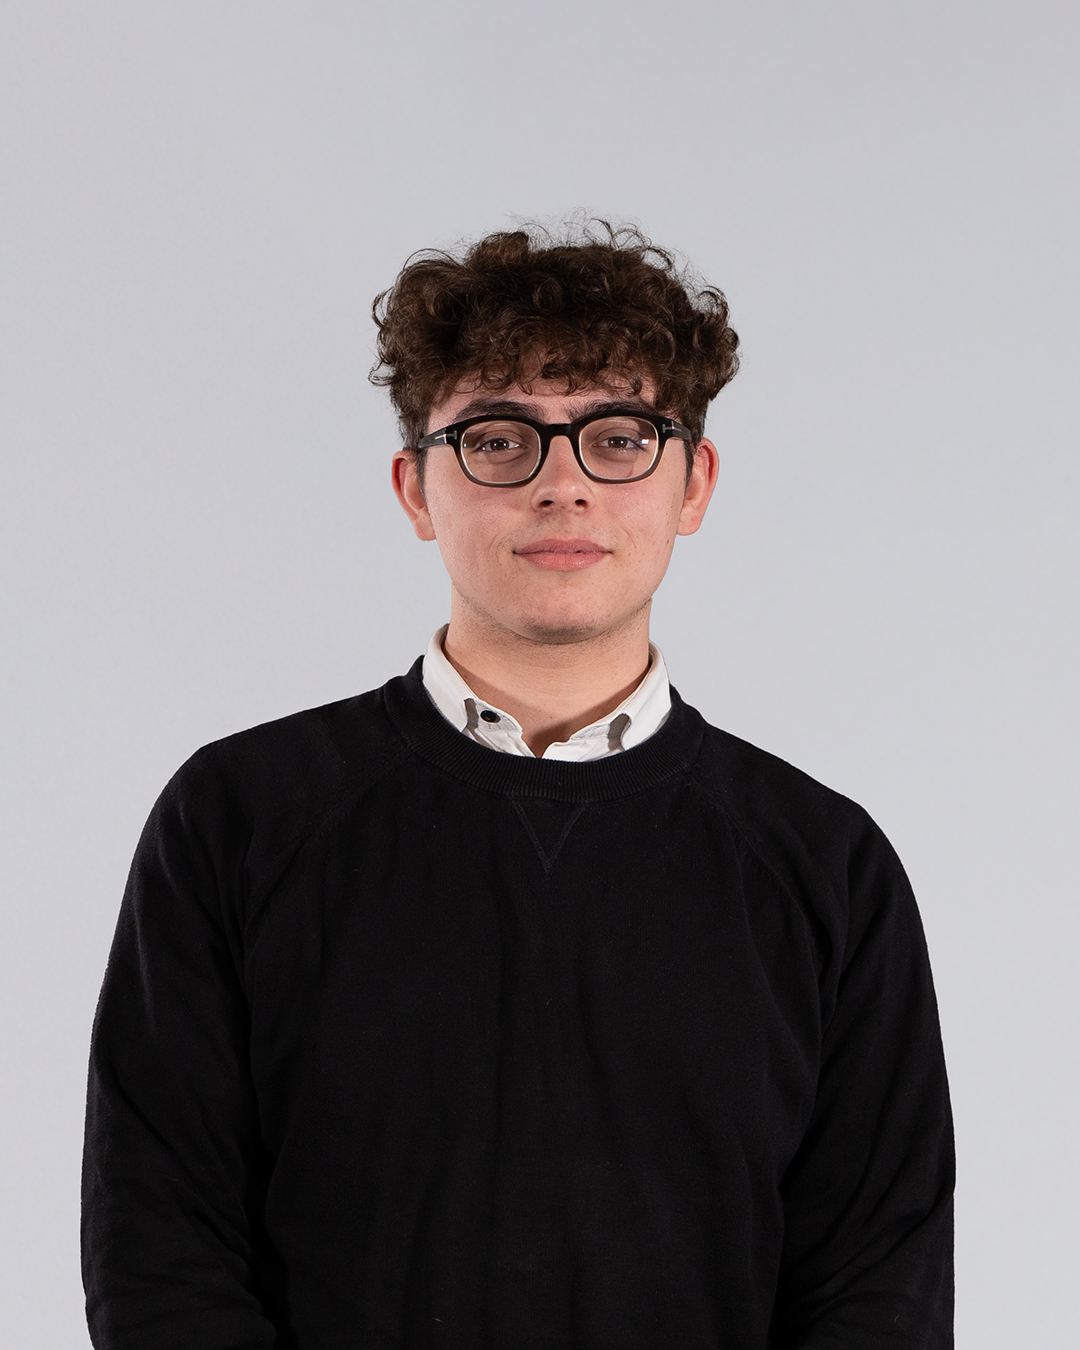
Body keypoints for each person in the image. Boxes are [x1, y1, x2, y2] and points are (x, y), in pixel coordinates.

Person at [82, 221, 954, 1349]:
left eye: (620, 437)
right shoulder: (239, 818)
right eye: (498, 440)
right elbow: (160, 1251)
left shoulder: (824, 864)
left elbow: (879, 1290)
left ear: (694, 484)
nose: (563, 486)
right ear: (414, 488)